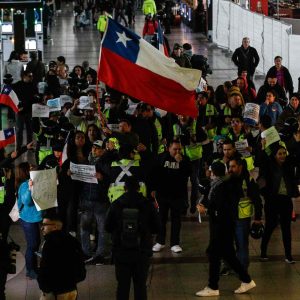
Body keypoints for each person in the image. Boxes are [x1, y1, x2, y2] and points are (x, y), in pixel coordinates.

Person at [195, 161, 256, 297]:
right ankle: (246, 280)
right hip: (225, 225)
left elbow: (220, 208)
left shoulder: (222, 186)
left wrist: (205, 210)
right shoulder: (222, 183)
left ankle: (213, 286)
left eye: (210, 171)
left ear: (214, 172)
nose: (209, 173)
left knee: (215, 254)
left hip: (221, 226)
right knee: (227, 255)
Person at [105, 176, 160, 300]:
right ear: (139, 188)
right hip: (142, 251)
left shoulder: (116, 204)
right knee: (140, 286)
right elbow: (157, 228)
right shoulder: (147, 204)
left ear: (124, 188)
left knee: (122, 286)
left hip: (121, 251)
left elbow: (107, 227)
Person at [259, 144, 299, 263]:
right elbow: (261, 164)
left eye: (284, 153)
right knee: (270, 227)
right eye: (279, 154)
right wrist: (263, 147)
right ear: (275, 155)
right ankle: (263, 252)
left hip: (286, 200)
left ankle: (288, 255)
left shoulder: (288, 165)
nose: (282, 156)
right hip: (272, 200)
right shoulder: (268, 166)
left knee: (286, 228)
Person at [151, 140, 191, 253]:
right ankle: (160, 241)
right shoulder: (161, 158)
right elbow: (154, 173)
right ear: (169, 148)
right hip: (162, 194)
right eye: (175, 149)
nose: (177, 151)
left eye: (179, 149)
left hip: (177, 195)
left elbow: (188, 173)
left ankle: (175, 243)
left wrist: (181, 163)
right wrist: (153, 188)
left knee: (176, 219)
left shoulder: (185, 159)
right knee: (161, 218)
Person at [38, 211, 86, 300]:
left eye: (45, 225)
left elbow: (44, 268)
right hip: (71, 289)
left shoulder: (49, 243)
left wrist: (44, 287)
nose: (42, 228)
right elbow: (80, 265)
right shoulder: (73, 241)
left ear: (55, 226)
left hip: (53, 291)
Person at [16, 162, 42, 280]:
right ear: (26, 171)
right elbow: (27, 201)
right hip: (28, 219)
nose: (33, 168)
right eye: (31, 167)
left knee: (35, 243)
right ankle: (30, 270)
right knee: (32, 245)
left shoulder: (34, 180)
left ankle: (33, 267)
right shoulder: (24, 185)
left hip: (35, 217)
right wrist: (31, 188)